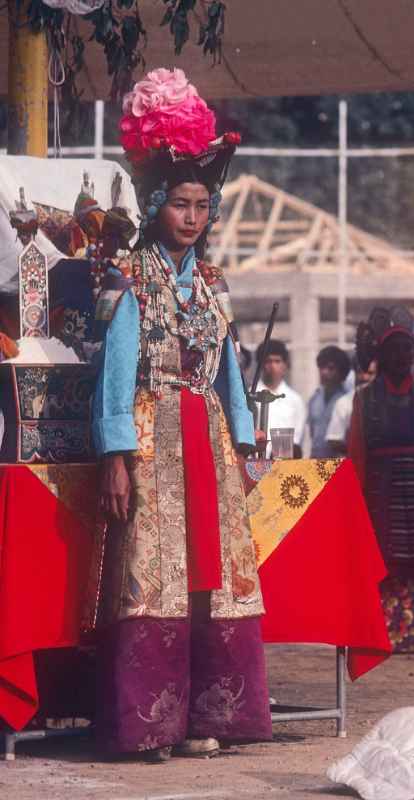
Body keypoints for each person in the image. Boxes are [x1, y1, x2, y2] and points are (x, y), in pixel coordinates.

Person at [91, 68, 272, 760]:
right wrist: (115, 456)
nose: (192, 218)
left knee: (213, 575)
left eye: (201, 206)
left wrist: (245, 443)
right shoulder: (131, 279)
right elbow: (115, 374)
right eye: (179, 205)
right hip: (151, 435)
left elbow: (230, 370)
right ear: (154, 206)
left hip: (209, 437)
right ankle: (149, 723)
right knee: (154, 570)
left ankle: (206, 715)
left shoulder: (214, 283)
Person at [348, 306, 414, 654]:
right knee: (386, 557)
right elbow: (358, 451)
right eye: (394, 350)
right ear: (381, 355)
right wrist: (356, 497)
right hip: (381, 489)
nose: (402, 357)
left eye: (407, 349)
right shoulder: (365, 398)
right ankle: (388, 633)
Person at [254, 339, 305, 457]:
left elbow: (297, 438)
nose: (273, 366)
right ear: (260, 365)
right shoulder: (250, 397)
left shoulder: (295, 400)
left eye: (277, 361)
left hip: (285, 462)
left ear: (285, 365)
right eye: (268, 361)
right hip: (254, 462)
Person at [326, 358, 376, 455]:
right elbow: (334, 440)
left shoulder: (385, 401)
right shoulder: (344, 403)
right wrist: (357, 451)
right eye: (360, 372)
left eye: (370, 373)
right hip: (352, 461)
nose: (364, 377)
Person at [308, 345, 351, 458]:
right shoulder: (314, 399)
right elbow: (312, 434)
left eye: (330, 368)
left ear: (342, 372)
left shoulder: (348, 402)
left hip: (339, 462)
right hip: (315, 461)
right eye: (321, 367)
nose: (324, 372)